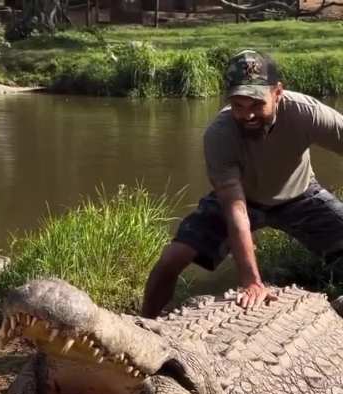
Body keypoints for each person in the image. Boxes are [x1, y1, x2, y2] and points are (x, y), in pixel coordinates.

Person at [142, 49, 343, 317]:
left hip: (300, 195)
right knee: (171, 260)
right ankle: (144, 322)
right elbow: (236, 207)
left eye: (257, 104)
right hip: (243, 199)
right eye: (238, 105)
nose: (247, 115)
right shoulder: (219, 134)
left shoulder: (308, 114)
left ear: (277, 92)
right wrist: (251, 281)